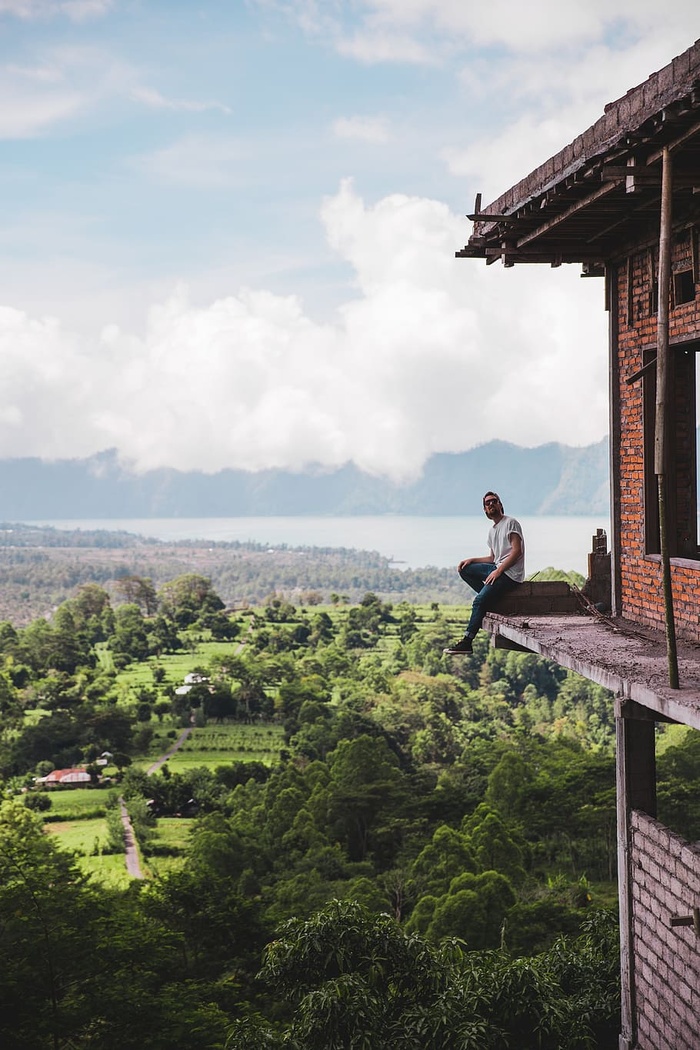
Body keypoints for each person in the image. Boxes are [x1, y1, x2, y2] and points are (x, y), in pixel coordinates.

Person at [444, 491, 525, 654]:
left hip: (511, 574)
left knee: (479, 602)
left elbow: (517, 552)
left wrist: (498, 571)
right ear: (485, 510)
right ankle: (490, 596)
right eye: (487, 503)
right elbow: (492, 558)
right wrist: (471, 560)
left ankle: (467, 641)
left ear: (500, 505)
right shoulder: (492, 531)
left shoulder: (511, 523)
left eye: (494, 501)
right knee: (465, 569)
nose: (491, 505)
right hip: (498, 569)